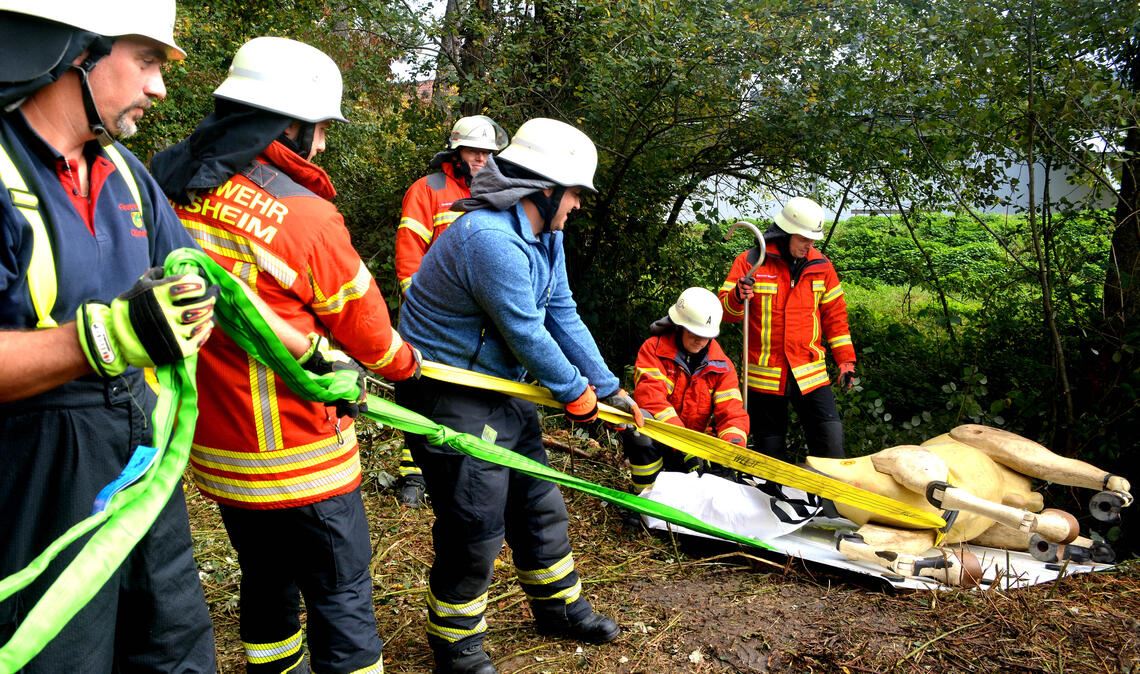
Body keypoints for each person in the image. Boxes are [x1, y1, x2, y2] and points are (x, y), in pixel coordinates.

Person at [150, 36, 419, 674]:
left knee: (265, 583)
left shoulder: (167, 179)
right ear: (285, 123)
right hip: (301, 455)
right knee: (342, 592)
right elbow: (371, 338)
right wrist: (406, 366)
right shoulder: (304, 217)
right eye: (319, 129)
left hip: (215, 449)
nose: (322, 145)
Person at [0, 1, 218, 671]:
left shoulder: (124, 173)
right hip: (33, 482)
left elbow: (189, 276)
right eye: (147, 61)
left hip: (139, 468)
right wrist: (98, 340)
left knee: (173, 647)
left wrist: (304, 353)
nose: (159, 86)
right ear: (73, 52)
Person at [396, 117, 644, 674]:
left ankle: (560, 608)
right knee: (475, 520)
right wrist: (576, 395)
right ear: (544, 188)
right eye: (575, 193)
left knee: (538, 500)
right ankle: (455, 644)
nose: (578, 206)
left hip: (501, 384)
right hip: (451, 391)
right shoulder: (489, 239)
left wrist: (607, 388)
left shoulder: (544, 235)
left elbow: (562, 314)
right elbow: (525, 330)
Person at [392, 114, 507, 507]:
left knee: (460, 398)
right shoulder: (427, 190)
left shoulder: (495, 195)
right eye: (475, 152)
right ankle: (413, 475)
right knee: (421, 391)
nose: (482, 160)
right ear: (456, 151)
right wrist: (419, 311)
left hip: (474, 323)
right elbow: (409, 255)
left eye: (487, 153)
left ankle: (458, 466)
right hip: (430, 319)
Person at [718, 196, 856, 461]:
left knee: (831, 447)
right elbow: (726, 314)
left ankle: (828, 502)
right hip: (764, 378)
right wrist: (738, 295)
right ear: (786, 233)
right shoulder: (750, 262)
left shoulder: (822, 267)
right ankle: (772, 500)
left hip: (811, 373)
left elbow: (835, 318)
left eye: (813, 239)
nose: (810, 245)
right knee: (770, 457)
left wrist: (846, 362)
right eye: (804, 239)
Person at [622, 287, 750, 492]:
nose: (700, 340)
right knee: (638, 430)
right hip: (665, 441)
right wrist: (684, 446)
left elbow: (732, 413)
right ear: (679, 325)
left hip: (699, 450)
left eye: (706, 335)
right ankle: (645, 499)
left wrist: (731, 450)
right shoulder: (653, 350)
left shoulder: (722, 366)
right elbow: (651, 401)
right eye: (694, 333)